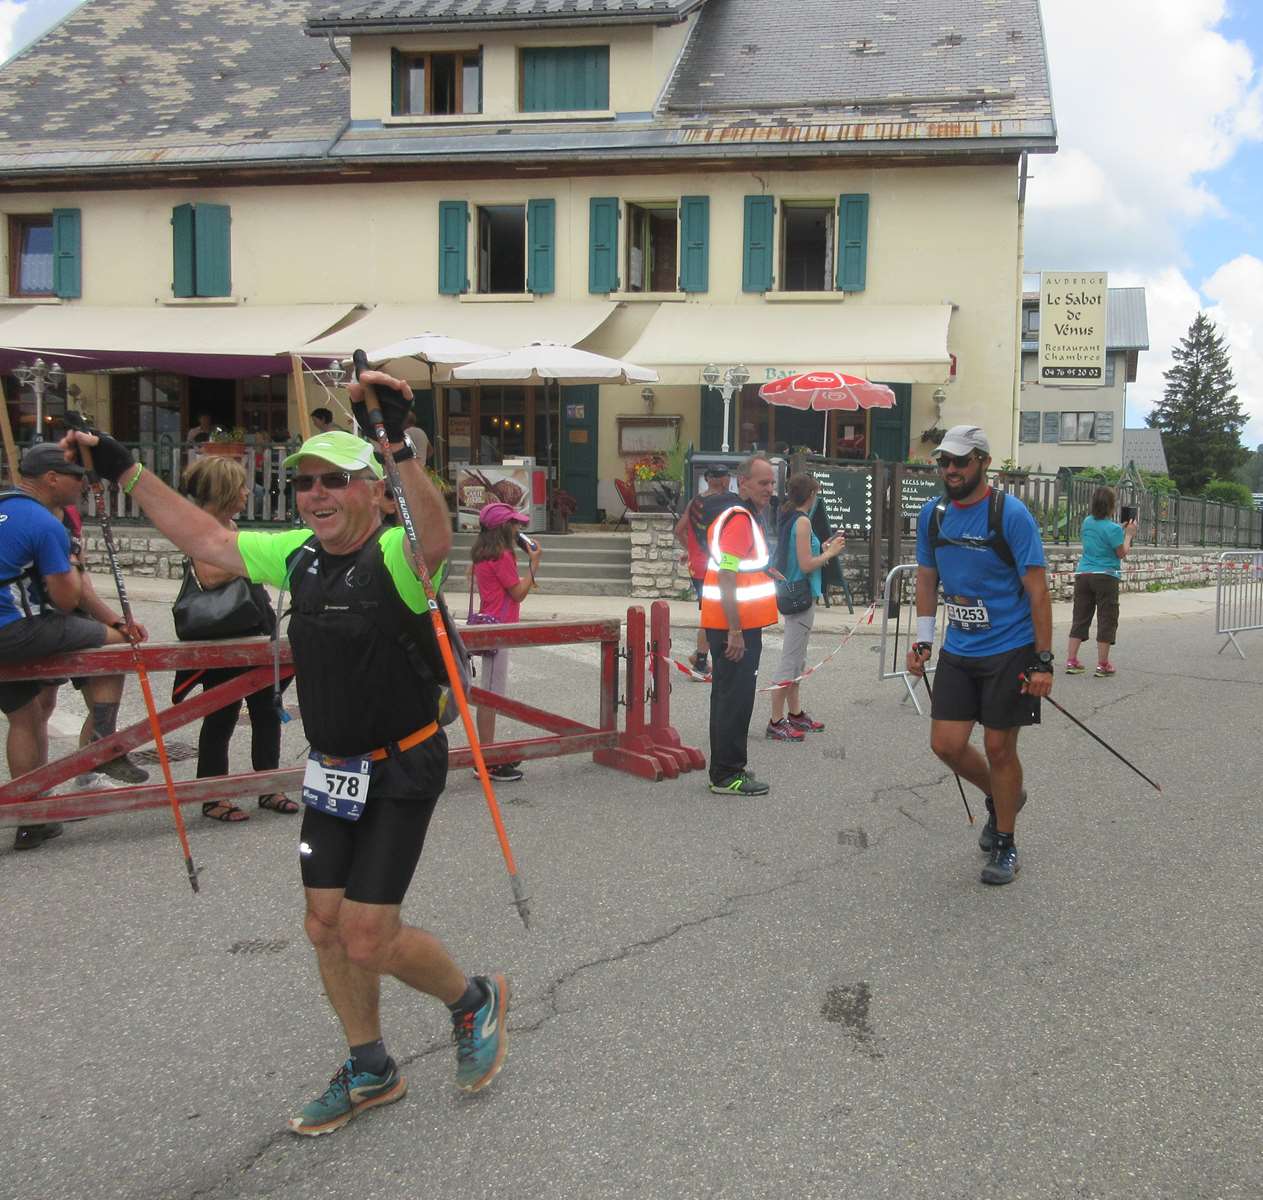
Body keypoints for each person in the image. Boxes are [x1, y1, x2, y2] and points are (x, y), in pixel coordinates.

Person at [62, 381, 509, 1135]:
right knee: (323, 924)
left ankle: (472, 1001)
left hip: (401, 764)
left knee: (368, 935)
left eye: (335, 479)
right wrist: (123, 469)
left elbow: (434, 538)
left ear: (370, 492)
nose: (315, 493)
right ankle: (370, 1068)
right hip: (331, 768)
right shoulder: (295, 555)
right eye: (304, 481)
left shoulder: (398, 555)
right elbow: (206, 540)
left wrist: (398, 446)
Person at [905, 425, 1053, 887]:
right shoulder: (933, 515)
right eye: (944, 461)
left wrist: (1043, 660)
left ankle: (1006, 840)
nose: (951, 469)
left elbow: (1038, 590)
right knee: (945, 745)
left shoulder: (1010, 514)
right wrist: (923, 639)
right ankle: (1004, 795)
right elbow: (927, 579)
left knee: (998, 747)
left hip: (1010, 648)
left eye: (961, 461)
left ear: (983, 463)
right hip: (960, 647)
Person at [0, 444, 145, 850]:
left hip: (9, 628)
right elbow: (67, 599)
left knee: (27, 716)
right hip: (14, 629)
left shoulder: (6, 507)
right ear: (50, 478)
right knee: (116, 646)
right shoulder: (44, 523)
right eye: (76, 477)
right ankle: (101, 748)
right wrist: (116, 621)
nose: (84, 484)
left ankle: (32, 817)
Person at [171, 455, 294, 823]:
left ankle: (267, 785)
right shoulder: (200, 528)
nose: (246, 492)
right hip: (222, 637)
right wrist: (252, 555)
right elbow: (209, 575)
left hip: (252, 630)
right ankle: (213, 795)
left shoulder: (228, 525)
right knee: (221, 715)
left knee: (267, 710)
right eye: (240, 486)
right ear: (224, 490)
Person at [699, 454, 779, 796]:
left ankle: (724, 770)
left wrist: (765, 571)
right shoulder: (740, 519)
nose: (770, 489)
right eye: (763, 483)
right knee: (735, 699)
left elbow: (737, 566)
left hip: (733, 623)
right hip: (736, 626)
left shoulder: (740, 515)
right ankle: (728, 774)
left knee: (727, 696)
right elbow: (728, 574)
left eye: (772, 482)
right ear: (742, 482)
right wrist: (734, 630)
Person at [766, 473, 844, 741]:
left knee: (798, 659)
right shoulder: (801, 521)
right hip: (800, 596)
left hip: (796, 594)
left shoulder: (793, 518)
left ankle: (796, 714)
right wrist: (830, 554)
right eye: (816, 494)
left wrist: (822, 546)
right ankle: (776, 720)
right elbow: (806, 564)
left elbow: (800, 554)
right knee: (790, 660)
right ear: (810, 495)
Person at [467, 500, 542, 783]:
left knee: (489, 694)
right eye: (514, 524)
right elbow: (518, 593)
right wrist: (534, 563)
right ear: (503, 528)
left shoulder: (482, 553)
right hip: (500, 628)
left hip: (488, 624)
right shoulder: (502, 556)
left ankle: (486, 755)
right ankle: (486, 760)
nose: (518, 528)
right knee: (491, 696)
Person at [1065, 486, 1136, 678]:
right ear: (1111, 506)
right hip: (1106, 576)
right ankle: (1102, 664)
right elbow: (1121, 553)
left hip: (1084, 574)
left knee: (1080, 616)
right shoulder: (1113, 529)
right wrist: (1128, 535)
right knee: (1107, 618)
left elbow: (1100, 535)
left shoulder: (1087, 522)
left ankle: (1072, 660)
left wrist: (1119, 530)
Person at [674, 463, 731, 677]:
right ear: (724, 479)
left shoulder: (696, 501)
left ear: (708, 479)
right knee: (714, 614)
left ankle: (700, 658)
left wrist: (691, 550)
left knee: (710, 612)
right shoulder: (724, 503)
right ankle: (700, 660)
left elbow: (679, 530)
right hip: (715, 566)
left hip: (697, 567)